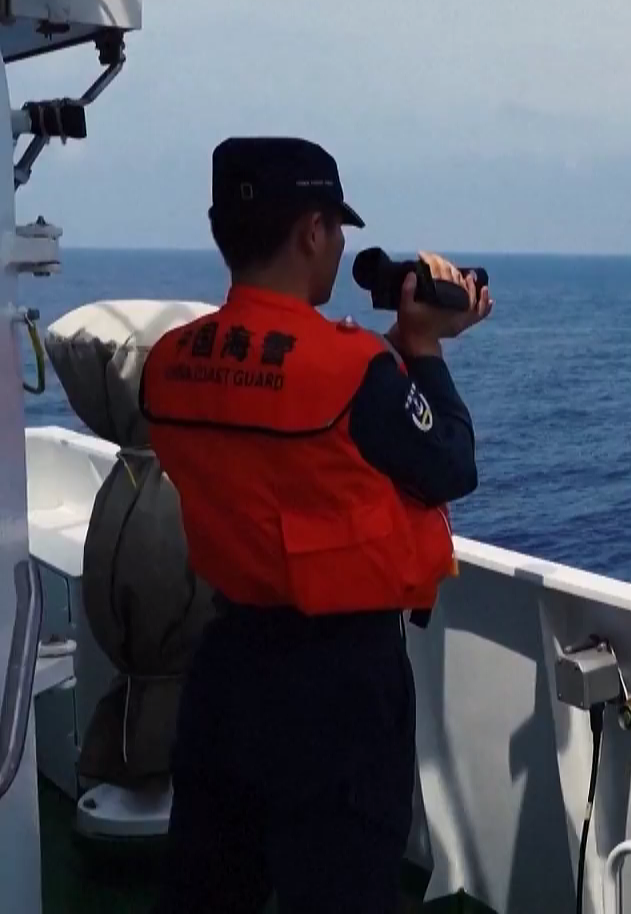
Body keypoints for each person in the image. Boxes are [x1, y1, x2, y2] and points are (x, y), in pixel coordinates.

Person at [140, 136, 493, 913]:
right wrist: (425, 348)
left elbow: (281, 454)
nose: (338, 246)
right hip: (337, 688)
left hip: (226, 671)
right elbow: (448, 465)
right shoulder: (351, 369)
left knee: (211, 890)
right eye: (336, 229)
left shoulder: (168, 363)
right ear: (311, 231)